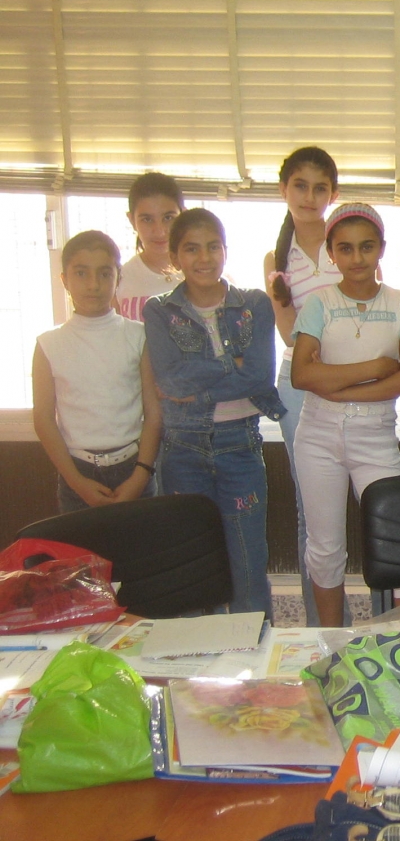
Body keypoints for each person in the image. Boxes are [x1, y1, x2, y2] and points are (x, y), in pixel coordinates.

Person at [290, 203, 400, 627]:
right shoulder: (319, 303)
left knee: (399, 540)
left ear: (381, 249)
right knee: (325, 547)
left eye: (366, 247)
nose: (356, 258)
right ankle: (331, 642)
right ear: (331, 253)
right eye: (345, 249)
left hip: (376, 437)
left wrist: (335, 384)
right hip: (317, 435)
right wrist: (372, 369)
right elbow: (301, 376)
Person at [144, 209, 282, 618]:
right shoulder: (158, 311)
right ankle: (200, 670)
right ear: (175, 255)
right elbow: (170, 381)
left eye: (212, 247)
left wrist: (202, 384)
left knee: (247, 564)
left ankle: (255, 662)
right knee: (195, 567)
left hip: (240, 446)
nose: (204, 258)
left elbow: (259, 377)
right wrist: (230, 364)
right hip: (182, 450)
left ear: (225, 250)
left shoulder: (254, 303)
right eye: (191, 248)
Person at [263, 146, 342, 627]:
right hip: (299, 384)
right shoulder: (277, 255)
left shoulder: (348, 241)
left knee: (363, 499)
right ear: (284, 190)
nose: (310, 196)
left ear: (332, 194)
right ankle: (319, 627)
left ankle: (379, 617)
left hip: (355, 383)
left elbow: (366, 312)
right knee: (308, 507)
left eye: (320, 187)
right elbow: (289, 333)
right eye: (300, 186)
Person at [34, 231, 160, 513]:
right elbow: (43, 418)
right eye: (81, 273)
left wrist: (141, 474)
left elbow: (154, 412)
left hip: (134, 467)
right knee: (83, 557)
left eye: (104, 274)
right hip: (76, 472)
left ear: (118, 278)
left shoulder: (138, 336)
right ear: (64, 279)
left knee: (141, 555)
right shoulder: (48, 345)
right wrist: (76, 481)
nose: (93, 285)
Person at [115, 172, 184, 321]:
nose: (159, 231)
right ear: (132, 220)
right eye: (147, 219)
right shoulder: (119, 280)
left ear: (183, 215)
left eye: (168, 218)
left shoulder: (202, 274)